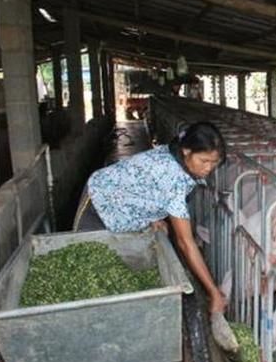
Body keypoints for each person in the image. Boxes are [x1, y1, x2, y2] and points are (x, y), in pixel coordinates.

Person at [73, 121, 227, 314]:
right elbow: (185, 243)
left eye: (214, 163)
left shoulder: (175, 153)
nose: (208, 168)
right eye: (204, 161)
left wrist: (152, 213)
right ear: (187, 151)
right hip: (98, 198)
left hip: (122, 203)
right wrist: (213, 292)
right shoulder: (172, 178)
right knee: (83, 261)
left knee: (107, 266)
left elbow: (147, 184)